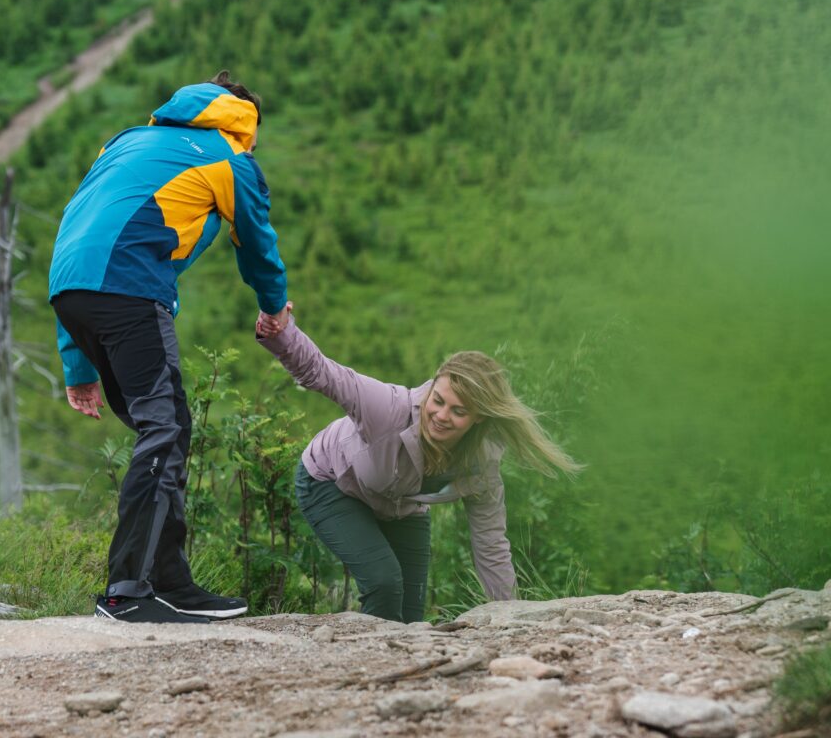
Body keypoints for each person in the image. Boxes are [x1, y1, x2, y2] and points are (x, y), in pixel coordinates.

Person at [49, 71, 290, 623]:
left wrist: (76, 360)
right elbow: (256, 243)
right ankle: (128, 591)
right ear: (244, 123)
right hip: (129, 291)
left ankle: (170, 583)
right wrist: (275, 308)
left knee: (165, 429)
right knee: (167, 430)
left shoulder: (127, 141)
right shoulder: (231, 159)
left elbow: (78, 230)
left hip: (72, 291)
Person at [256, 308, 581, 622]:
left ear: (479, 417)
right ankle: (374, 666)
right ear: (432, 387)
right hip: (330, 481)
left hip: (400, 504)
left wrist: (512, 617)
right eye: (438, 401)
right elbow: (323, 374)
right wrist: (282, 331)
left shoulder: (482, 462)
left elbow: (491, 543)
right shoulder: (387, 407)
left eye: (459, 411)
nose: (441, 415)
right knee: (384, 582)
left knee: (412, 617)